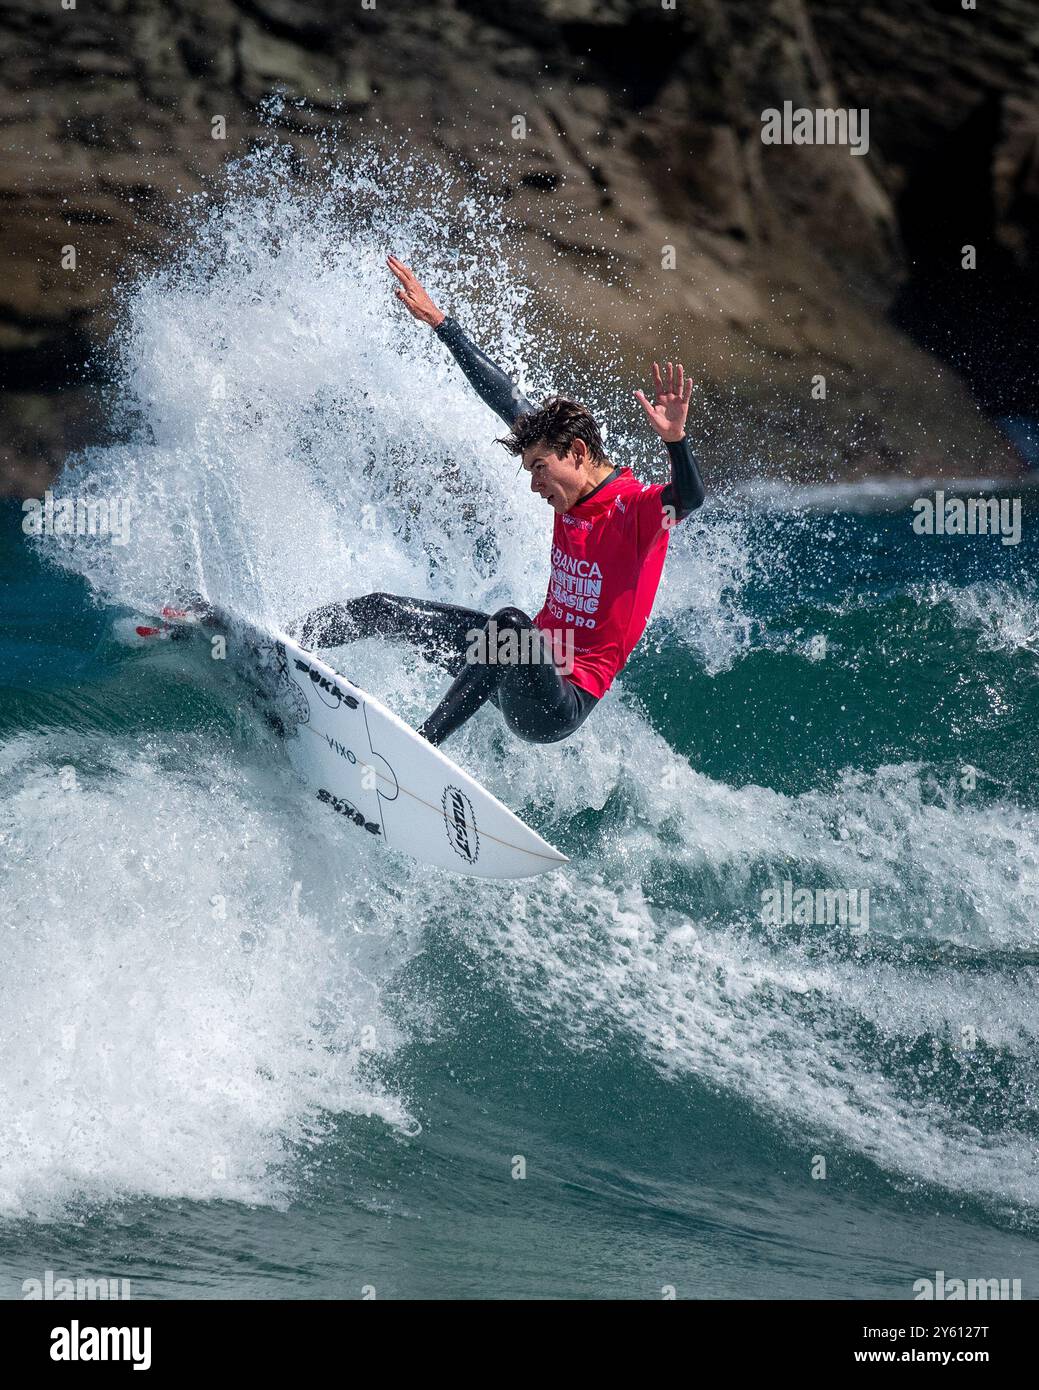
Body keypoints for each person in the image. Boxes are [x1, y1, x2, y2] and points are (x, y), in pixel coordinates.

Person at [299, 254, 706, 746]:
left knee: (509, 626)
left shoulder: (635, 508)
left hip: (559, 700)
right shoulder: (565, 478)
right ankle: (283, 641)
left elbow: (688, 497)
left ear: (576, 454)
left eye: (540, 469)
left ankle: (419, 749)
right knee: (381, 608)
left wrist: (676, 440)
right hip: (513, 665)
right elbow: (507, 397)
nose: (535, 485)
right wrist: (442, 324)